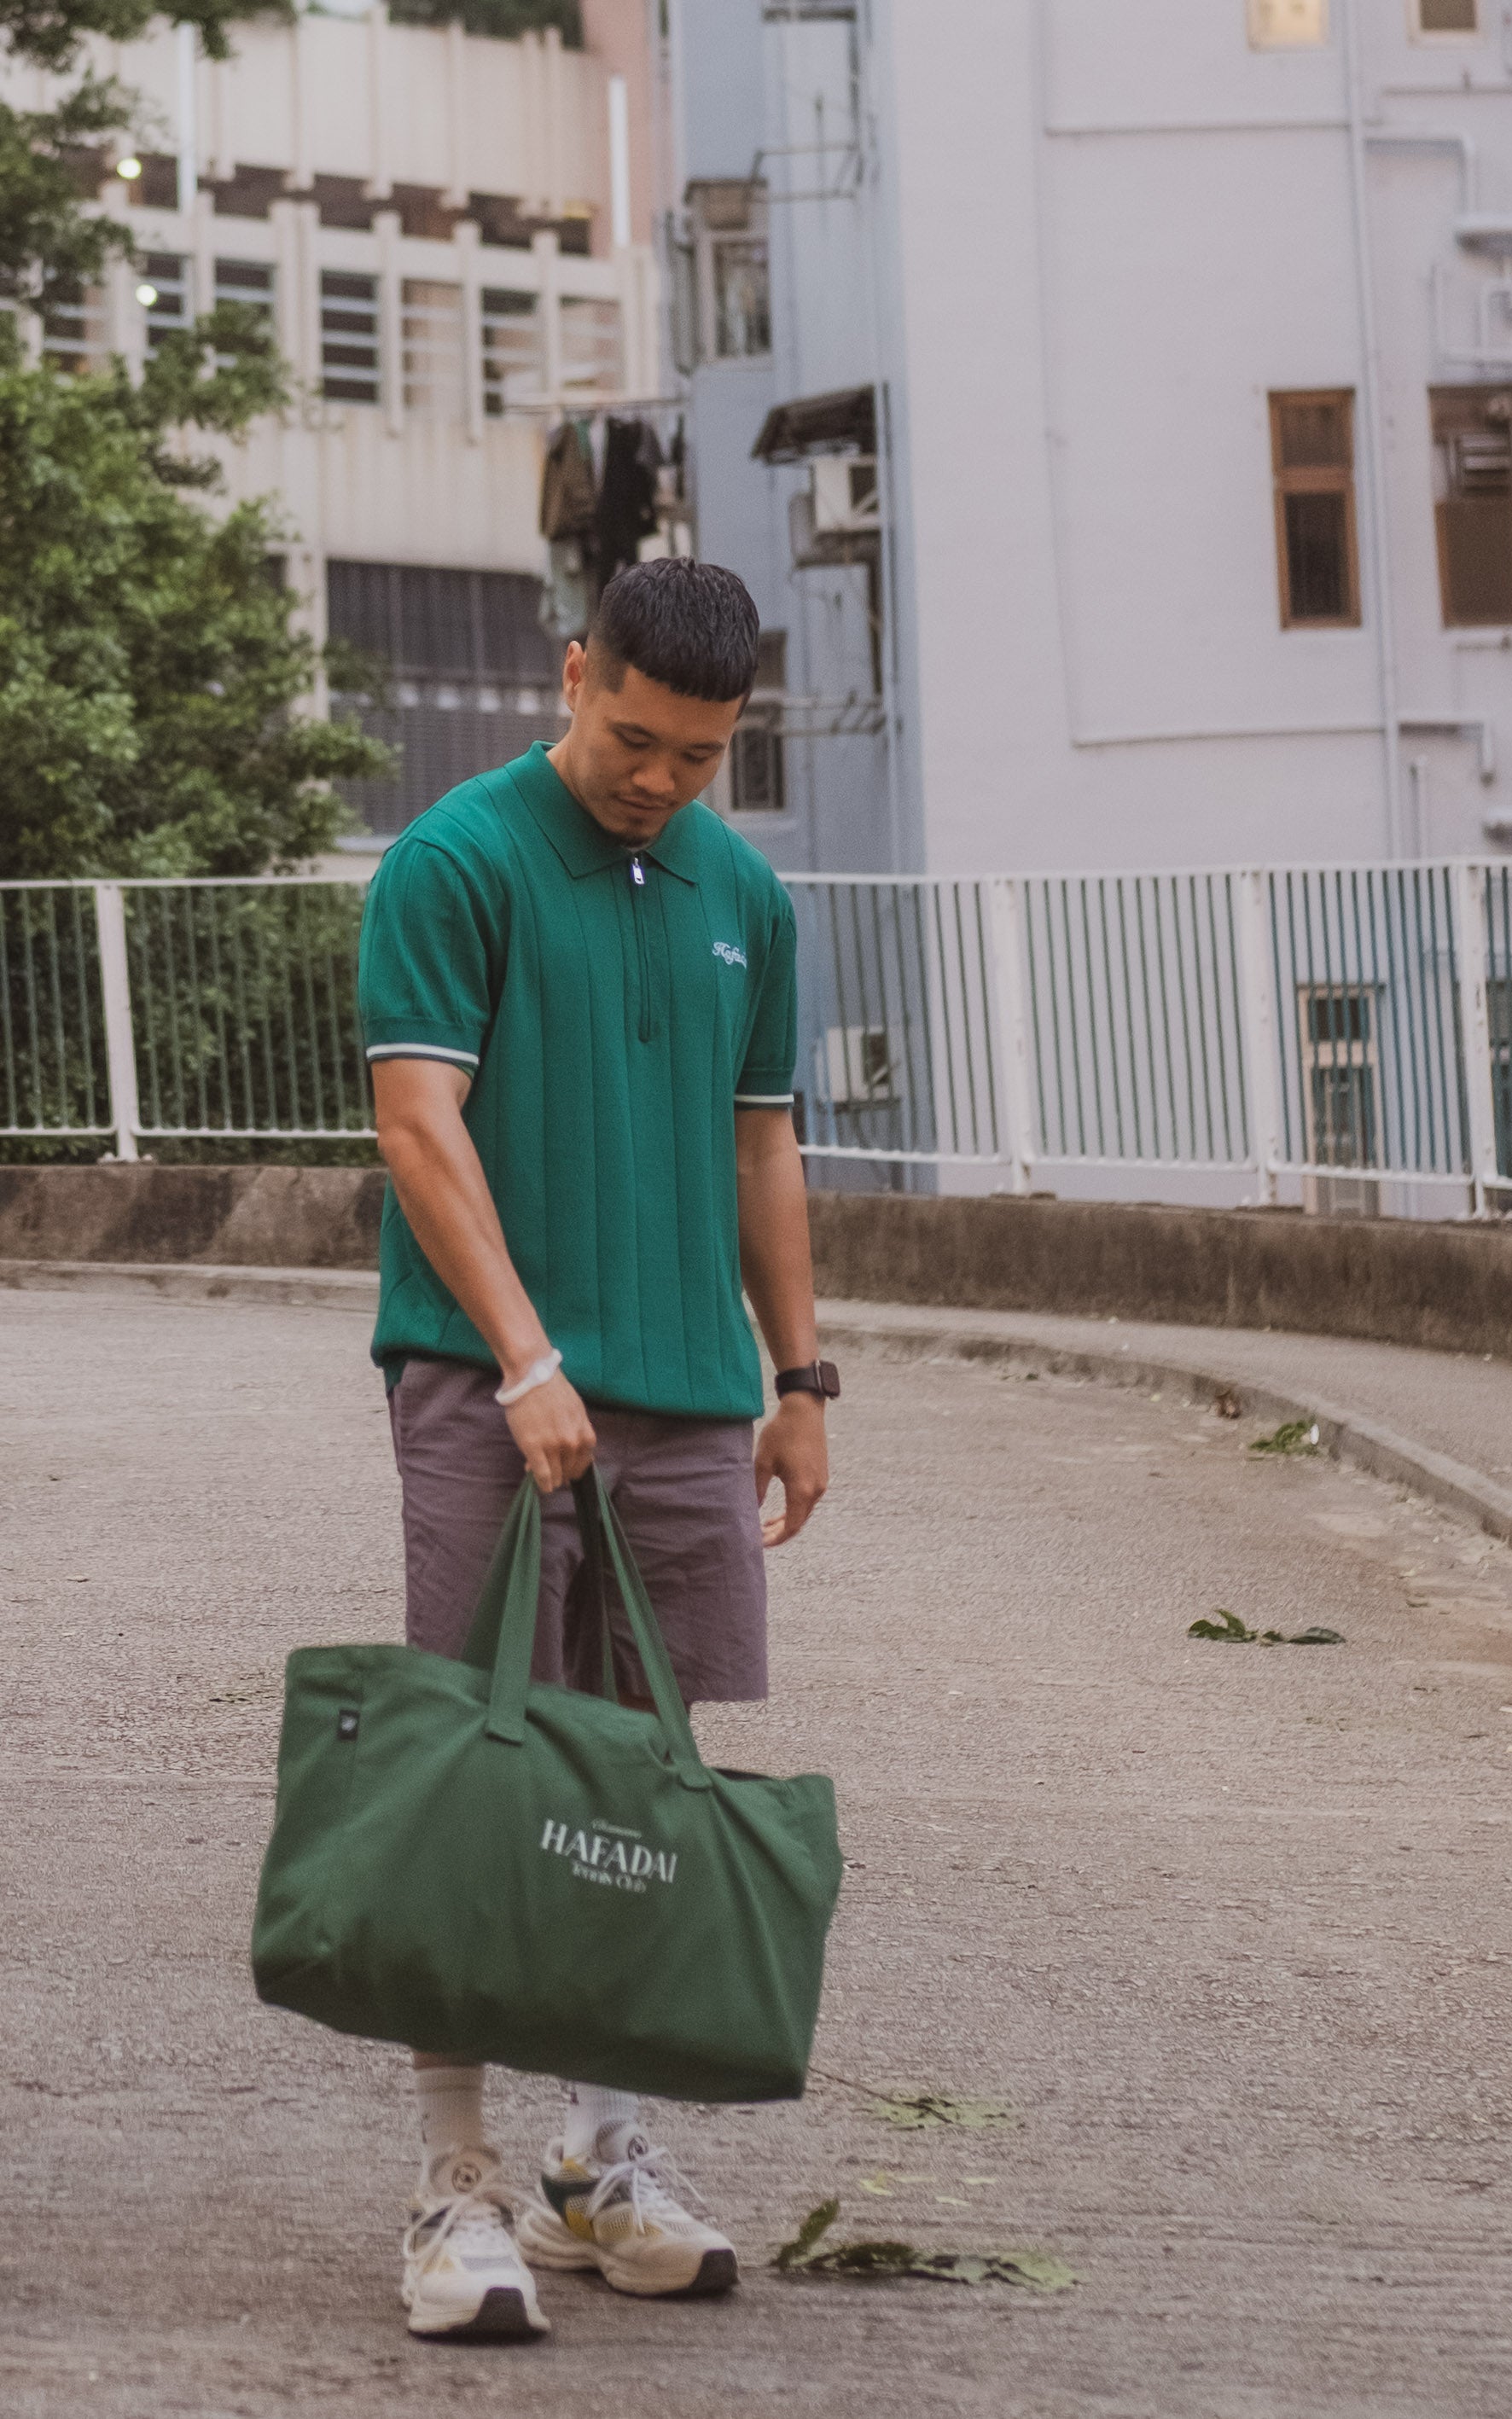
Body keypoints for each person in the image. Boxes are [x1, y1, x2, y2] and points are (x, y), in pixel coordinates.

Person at [356, 557, 838, 2342]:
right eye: (633, 737)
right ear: (575, 672)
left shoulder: (744, 893)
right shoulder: (454, 859)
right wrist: (525, 1356)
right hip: (496, 1385)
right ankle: (449, 2178)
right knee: (479, 1763)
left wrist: (801, 1375)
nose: (657, 778)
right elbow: (419, 1125)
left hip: (692, 1397)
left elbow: (761, 1146)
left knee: (647, 1773)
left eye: (698, 756)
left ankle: (599, 2161)